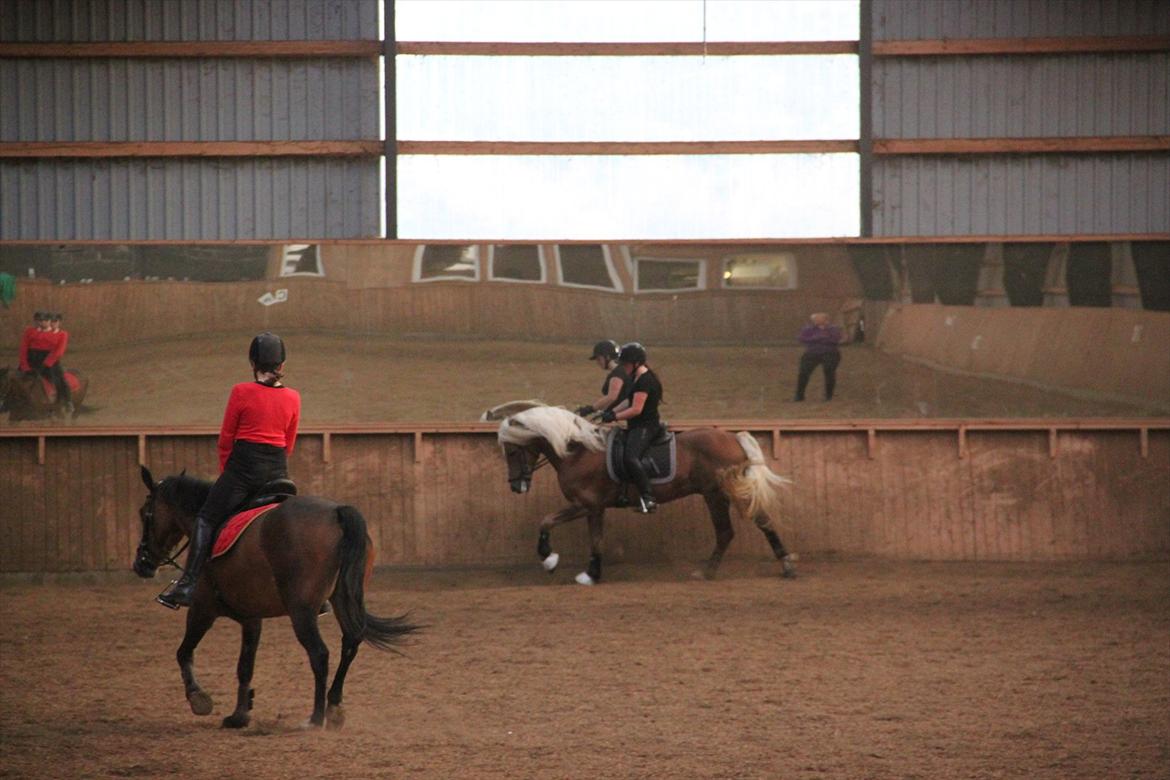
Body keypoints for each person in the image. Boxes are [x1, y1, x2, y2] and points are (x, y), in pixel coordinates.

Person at [157, 332, 301, 609]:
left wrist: (229, 473)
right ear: (282, 365)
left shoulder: (241, 391)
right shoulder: (294, 397)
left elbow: (226, 439)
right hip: (278, 473)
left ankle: (187, 585)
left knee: (205, 519)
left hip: (244, 471)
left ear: (252, 363)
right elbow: (289, 443)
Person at [600, 342, 663, 514]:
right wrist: (610, 412)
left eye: (625, 364)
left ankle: (648, 498)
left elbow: (636, 409)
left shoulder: (645, 381)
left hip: (646, 426)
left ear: (636, 363)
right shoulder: (637, 378)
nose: (623, 367)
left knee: (631, 457)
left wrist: (615, 417)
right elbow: (628, 401)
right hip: (637, 425)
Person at [794, 312, 845, 402]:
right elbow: (801, 338)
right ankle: (799, 396)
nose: (816, 321)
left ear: (826, 320)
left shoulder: (833, 329)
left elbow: (836, 339)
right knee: (803, 373)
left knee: (829, 373)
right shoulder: (808, 329)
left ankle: (828, 396)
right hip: (812, 354)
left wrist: (817, 339)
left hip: (830, 353)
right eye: (815, 319)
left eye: (819, 319)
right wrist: (817, 338)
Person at [575, 340, 630, 418]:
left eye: (599, 359)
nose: (597, 362)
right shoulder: (620, 370)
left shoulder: (618, 373)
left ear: (607, 357)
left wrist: (591, 409)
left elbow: (612, 397)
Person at [44, 313, 73, 414]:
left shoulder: (63, 334)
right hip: (41, 360)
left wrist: (48, 362)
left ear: (59, 323)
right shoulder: (45, 332)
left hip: (54, 361)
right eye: (51, 321)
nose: (53, 324)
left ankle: (68, 402)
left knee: (61, 380)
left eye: (55, 322)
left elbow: (59, 351)